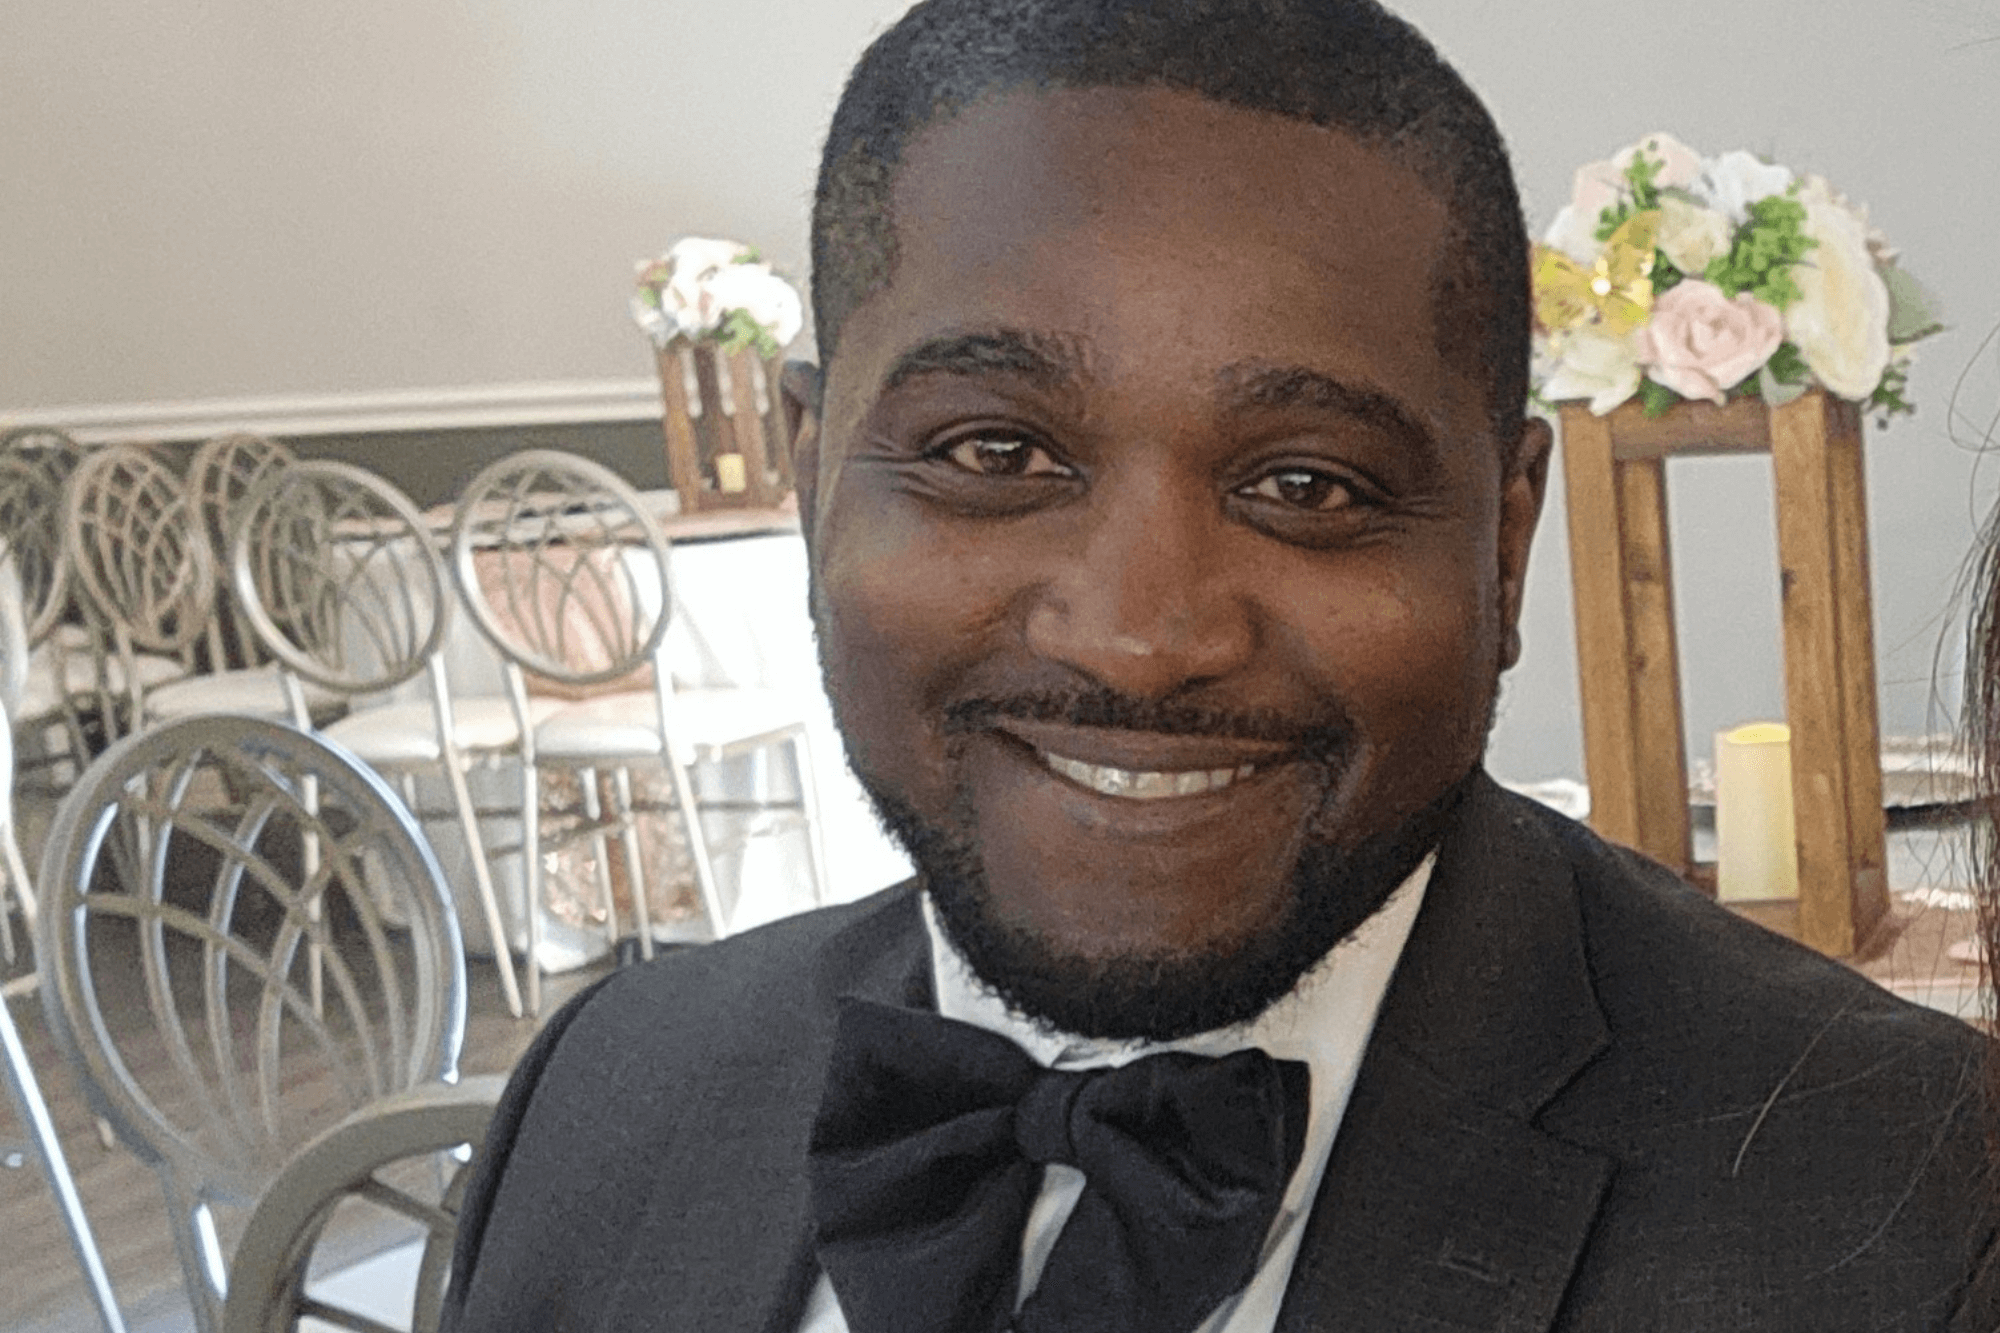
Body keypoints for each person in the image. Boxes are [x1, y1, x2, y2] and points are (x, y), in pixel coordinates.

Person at [439, 2, 1998, 1329]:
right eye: (995, 452)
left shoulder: (1913, 1211)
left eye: (1308, 484)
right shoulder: (608, 1089)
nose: (1141, 635)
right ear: (810, 480)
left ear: (1505, 544)